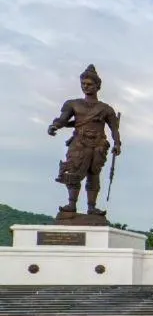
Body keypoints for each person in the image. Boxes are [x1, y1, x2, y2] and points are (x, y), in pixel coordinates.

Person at [48, 64, 121, 217]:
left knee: (93, 174)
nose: (86, 86)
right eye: (83, 84)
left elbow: (114, 129)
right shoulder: (72, 104)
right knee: (73, 172)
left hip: (98, 144)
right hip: (79, 143)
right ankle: (71, 204)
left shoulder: (106, 109)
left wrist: (117, 144)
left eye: (89, 84)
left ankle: (91, 207)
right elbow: (62, 120)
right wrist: (54, 126)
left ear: (97, 86)